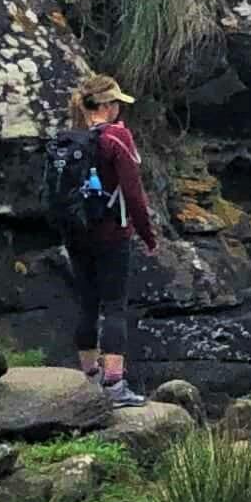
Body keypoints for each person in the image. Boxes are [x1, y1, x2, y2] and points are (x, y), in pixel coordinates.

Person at [50, 74, 160, 405]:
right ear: (108, 106)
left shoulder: (70, 139)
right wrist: (147, 234)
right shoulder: (117, 137)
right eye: (117, 105)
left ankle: (89, 381)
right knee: (114, 306)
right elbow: (133, 192)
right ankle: (114, 386)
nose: (119, 111)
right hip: (112, 233)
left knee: (87, 303)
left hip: (76, 233)